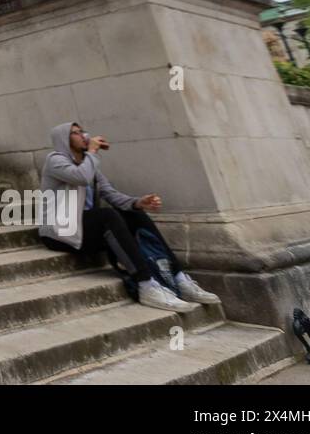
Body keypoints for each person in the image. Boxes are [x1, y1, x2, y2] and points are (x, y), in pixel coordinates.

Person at [39, 122, 220, 312]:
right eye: (76, 133)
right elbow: (80, 177)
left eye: (82, 131)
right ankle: (146, 285)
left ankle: (178, 277)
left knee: (134, 215)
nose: (84, 135)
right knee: (106, 215)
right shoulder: (55, 160)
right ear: (64, 140)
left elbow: (110, 194)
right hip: (58, 231)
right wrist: (92, 152)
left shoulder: (89, 165)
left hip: (83, 228)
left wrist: (138, 203)